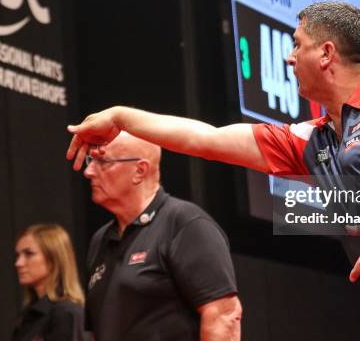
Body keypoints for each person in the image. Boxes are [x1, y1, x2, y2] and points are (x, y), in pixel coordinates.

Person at [65, 2, 360, 340]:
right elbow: (205, 138)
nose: (288, 58)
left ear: (326, 53)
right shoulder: (310, 140)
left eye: (296, 45)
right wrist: (122, 116)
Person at [81, 131, 241, 341]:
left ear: (140, 170)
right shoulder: (100, 239)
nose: (89, 171)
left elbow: (224, 316)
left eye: (102, 162)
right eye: (91, 160)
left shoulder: (185, 223)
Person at [13, 224, 88, 341]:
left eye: (29, 254)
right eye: (18, 255)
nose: (18, 263)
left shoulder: (67, 314)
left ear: (54, 259)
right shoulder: (28, 315)